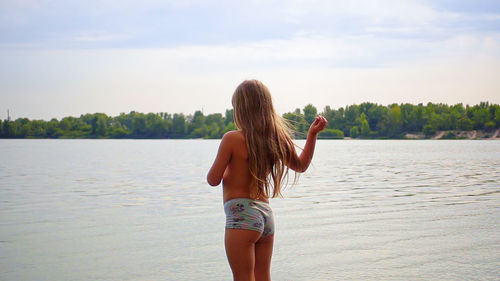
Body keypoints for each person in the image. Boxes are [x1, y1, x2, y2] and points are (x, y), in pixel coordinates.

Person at [207, 80, 327, 281]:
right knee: (263, 276)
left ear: (241, 110)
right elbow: (301, 165)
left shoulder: (231, 139)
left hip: (242, 214)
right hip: (265, 216)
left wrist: (230, 169)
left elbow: (213, 179)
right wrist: (312, 135)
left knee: (243, 277)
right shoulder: (275, 139)